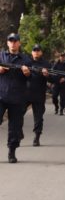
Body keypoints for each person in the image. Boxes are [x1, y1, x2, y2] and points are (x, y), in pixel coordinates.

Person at [0, 33, 31, 163]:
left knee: (15, 127)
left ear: (19, 43)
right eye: (10, 41)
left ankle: (12, 152)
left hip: (17, 97)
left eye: (15, 41)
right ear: (7, 43)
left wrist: (27, 73)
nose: (13, 43)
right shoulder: (1, 56)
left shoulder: (25, 59)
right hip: (1, 95)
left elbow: (32, 77)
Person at [23, 44, 53, 146]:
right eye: (34, 50)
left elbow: (53, 79)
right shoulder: (26, 62)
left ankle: (37, 137)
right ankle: (18, 132)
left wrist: (47, 75)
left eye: (38, 50)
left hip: (39, 94)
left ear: (41, 52)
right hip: (25, 93)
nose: (36, 52)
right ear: (32, 52)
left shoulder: (46, 64)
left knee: (38, 118)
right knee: (17, 115)